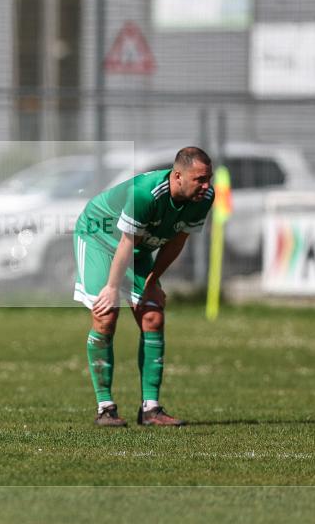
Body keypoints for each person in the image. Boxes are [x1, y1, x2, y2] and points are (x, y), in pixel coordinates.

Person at [72, 147, 214, 427]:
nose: (206, 185)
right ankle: (105, 408)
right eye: (199, 179)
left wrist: (152, 283)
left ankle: (151, 409)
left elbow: (178, 240)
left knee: (153, 316)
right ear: (177, 176)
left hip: (135, 247)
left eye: (208, 178)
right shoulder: (145, 194)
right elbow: (125, 242)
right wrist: (112, 288)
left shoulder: (204, 197)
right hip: (99, 237)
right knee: (106, 314)